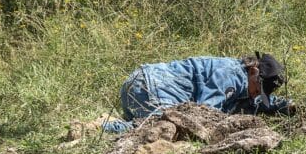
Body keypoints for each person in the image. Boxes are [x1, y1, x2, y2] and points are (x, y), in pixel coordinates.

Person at [115, 52, 291, 126]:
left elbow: (255, 103)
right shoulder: (232, 76)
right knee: (165, 127)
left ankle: (121, 124)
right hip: (151, 86)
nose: (256, 95)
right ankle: (105, 126)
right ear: (253, 71)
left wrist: (283, 105)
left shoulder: (245, 80)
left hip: (138, 85)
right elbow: (204, 112)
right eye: (258, 89)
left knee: (149, 125)